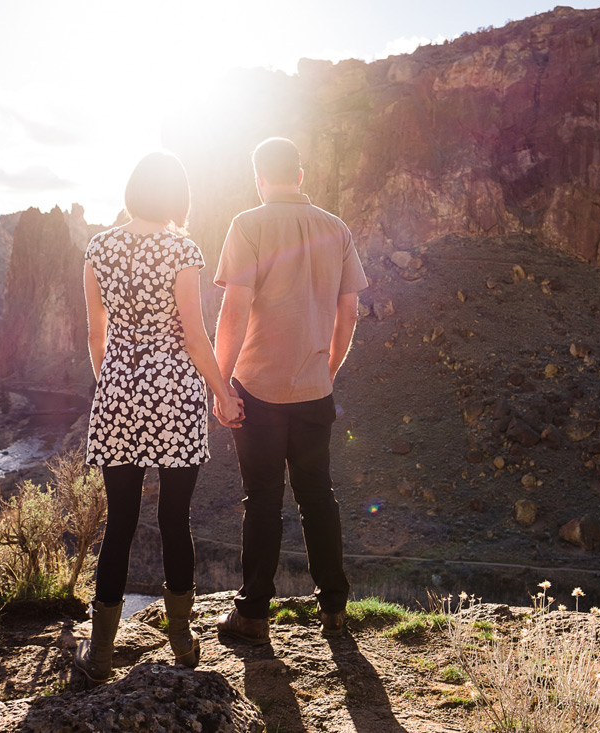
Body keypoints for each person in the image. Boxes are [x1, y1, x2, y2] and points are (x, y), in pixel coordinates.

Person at [75, 151, 244, 683]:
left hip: (119, 391)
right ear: (175, 196)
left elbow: (94, 335)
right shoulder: (182, 249)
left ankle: (100, 654)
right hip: (174, 394)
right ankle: (182, 641)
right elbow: (195, 336)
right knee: (175, 518)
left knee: (120, 522)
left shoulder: (98, 248)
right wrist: (223, 393)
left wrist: (115, 382)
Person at [212, 137, 368, 645]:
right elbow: (350, 312)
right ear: (300, 175)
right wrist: (330, 368)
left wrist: (220, 384)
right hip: (313, 389)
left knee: (262, 501)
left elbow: (233, 310)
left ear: (259, 179)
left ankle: (254, 614)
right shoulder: (336, 228)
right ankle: (335, 609)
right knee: (318, 498)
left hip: (256, 388)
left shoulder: (248, 225)